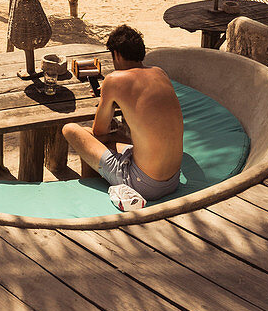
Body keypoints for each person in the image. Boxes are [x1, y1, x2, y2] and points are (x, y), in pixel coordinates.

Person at [62, 25, 183, 201]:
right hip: (172, 182)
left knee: (72, 130)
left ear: (117, 54)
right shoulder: (160, 73)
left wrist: (108, 93)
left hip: (142, 185)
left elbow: (99, 132)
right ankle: (94, 178)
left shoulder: (113, 80)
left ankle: (91, 185)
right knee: (107, 139)